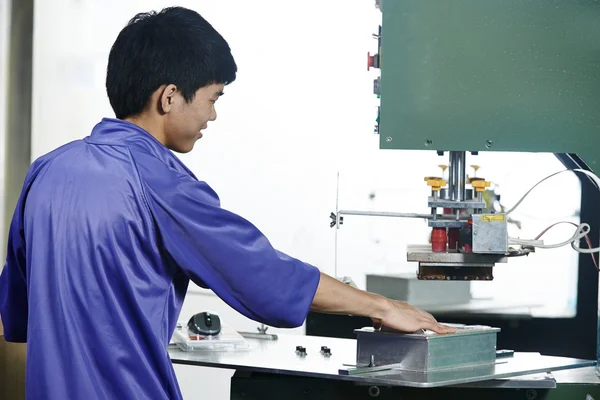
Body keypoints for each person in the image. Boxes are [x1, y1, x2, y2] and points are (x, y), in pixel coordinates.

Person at [0, 6, 454, 399]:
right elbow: (264, 278)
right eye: (213, 98)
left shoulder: (45, 172)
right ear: (169, 97)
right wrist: (381, 306)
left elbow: (14, 319)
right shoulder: (159, 182)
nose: (212, 116)